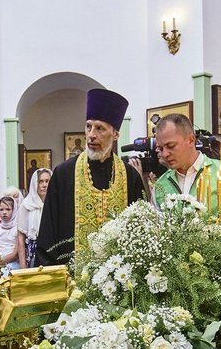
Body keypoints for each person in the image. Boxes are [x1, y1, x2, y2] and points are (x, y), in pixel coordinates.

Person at [35, 88, 145, 266]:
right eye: (88, 127)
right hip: (72, 280)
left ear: (115, 134)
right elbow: (49, 231)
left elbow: (140, 230)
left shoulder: (130, 176)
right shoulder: (63, 174)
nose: (92, 135)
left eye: (100, 128)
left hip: (121, 282)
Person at [151, 113, 221, 213]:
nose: (165, 154)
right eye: (160, 149)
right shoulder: (160, 186)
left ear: (191, 140)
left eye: (171, 146)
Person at [16, 168, 51, 267]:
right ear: (35, 184)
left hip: (52, 252)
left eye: (47, 181)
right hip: (33, 253)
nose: (44, 185)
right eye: (40, 182)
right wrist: (23, 266)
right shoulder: (26, 205)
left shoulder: (55, 204)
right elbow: (20, 237)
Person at [0, 196, 20, 275]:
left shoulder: (18, 229)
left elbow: (15, 254)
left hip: (13, 265)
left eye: (8, 209)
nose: (4, 212)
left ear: (14, 210)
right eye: (1, 209)